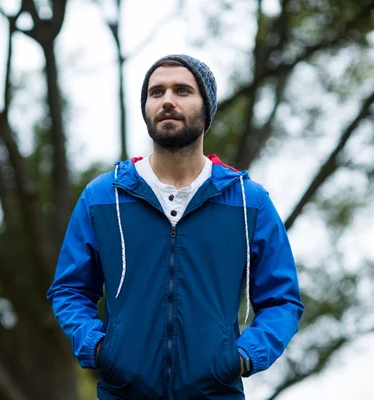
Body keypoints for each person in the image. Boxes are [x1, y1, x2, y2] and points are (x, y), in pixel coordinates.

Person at [47, 54, 304, 399]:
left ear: (206, 108)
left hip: (216, 393)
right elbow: (70, 290)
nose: (167, 100)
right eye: (156, 93)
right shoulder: (102, 198)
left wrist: (243, 357)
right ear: (146, 108)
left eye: (182, 91)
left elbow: (282, 300)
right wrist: (97, 347)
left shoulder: (249, 203)